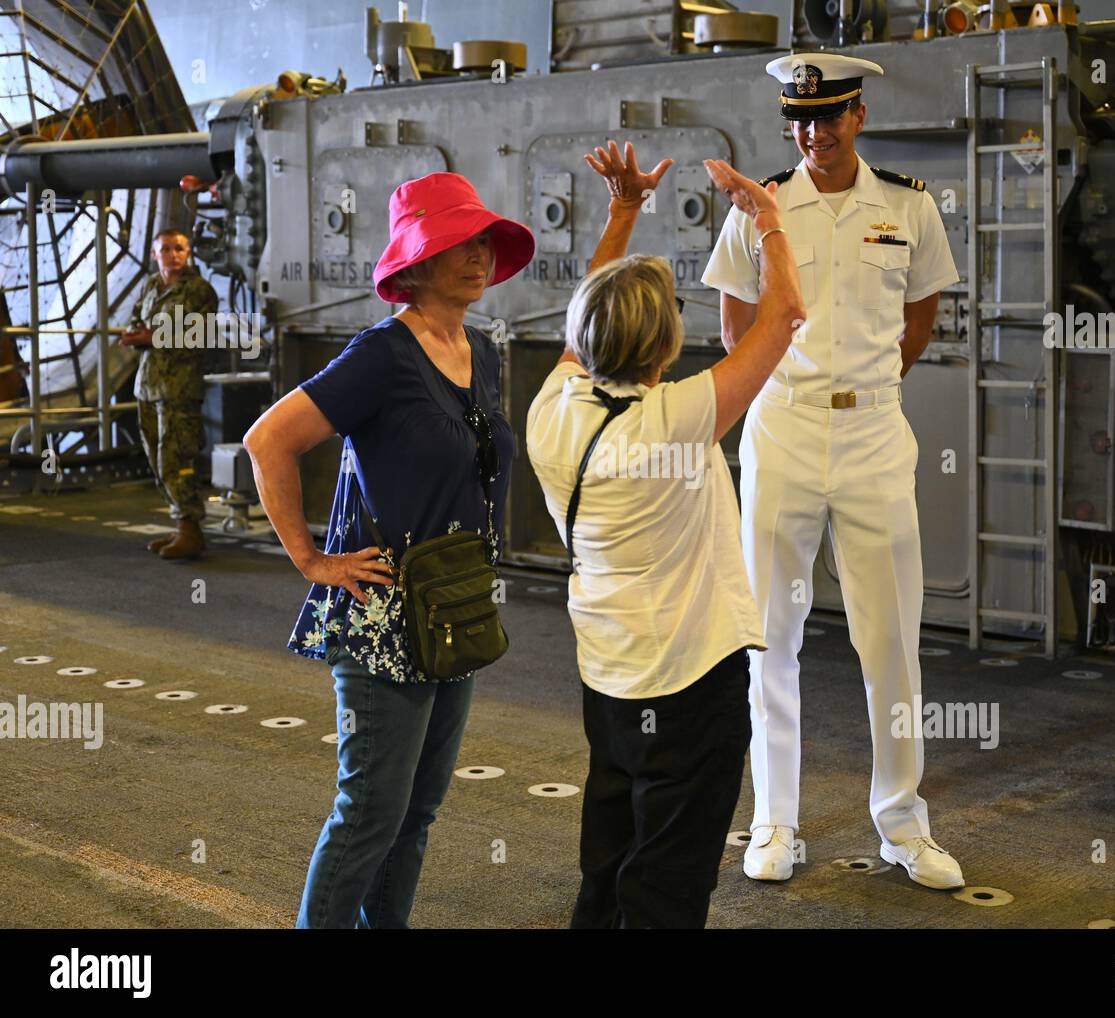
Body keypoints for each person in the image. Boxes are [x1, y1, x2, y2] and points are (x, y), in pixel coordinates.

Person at [700, 53, 965, 890]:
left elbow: (920, 315)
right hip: (782, 429)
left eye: (829, 116)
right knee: (768, 635)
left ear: (858, 117)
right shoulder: (762, 208)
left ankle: (903, 824)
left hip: (875, 436)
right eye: (800, 119)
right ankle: (774, 822)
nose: (813, 133)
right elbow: (736, 321)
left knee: (890, 638)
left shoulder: (910, 208)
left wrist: (870, 389)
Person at [242, 173, 534, 928]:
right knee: (372, 808)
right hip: (381, 612)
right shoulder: (382, 355)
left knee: (417, 811)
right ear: (416, 261)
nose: (476, 257)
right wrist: (312, 560)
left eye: (481, 243)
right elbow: (268, 441)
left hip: (455, 605)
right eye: (455, 245)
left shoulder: (481, 351)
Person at [526, 141, 804, 928]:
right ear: (664, 346)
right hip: (687, 686)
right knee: (670, 884)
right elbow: (783, 318)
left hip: (608, 675)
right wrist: (770, 220)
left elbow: (590, 313)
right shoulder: (675, 423)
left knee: (610, 860)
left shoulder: (554, 408)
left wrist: (623, 213)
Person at [118, 228, 217, 560]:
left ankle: (191, 529)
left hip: (180, 388)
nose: (173, 254)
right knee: (154, 455)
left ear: (188, 253)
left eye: (179, 249)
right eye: (166, 249)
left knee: (176, 457)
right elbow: (135, 321)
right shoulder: (150, 286)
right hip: (148, 385)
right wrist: (136, 335)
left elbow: (198, 334)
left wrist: (152, 337)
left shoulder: (199, 290)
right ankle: (180, 523)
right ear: (154, 253)